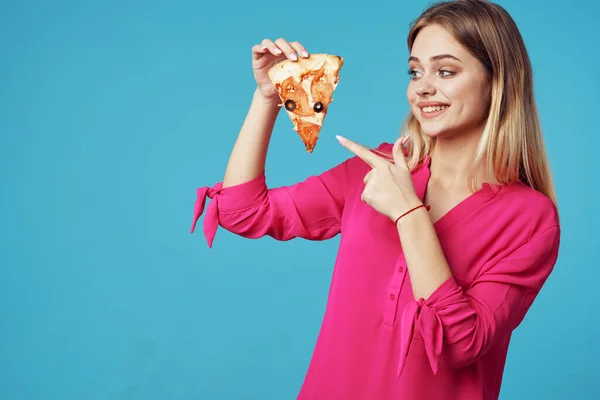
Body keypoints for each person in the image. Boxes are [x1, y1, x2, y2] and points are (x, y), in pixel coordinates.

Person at [190, 0, 561, 398]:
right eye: (415, 71)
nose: (422, 87)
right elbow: (241, 212)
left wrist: (408, 211)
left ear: (498, 80)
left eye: (446, 71)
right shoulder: (375, 170)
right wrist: (267, 98)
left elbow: (461, 342)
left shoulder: (531, 219)